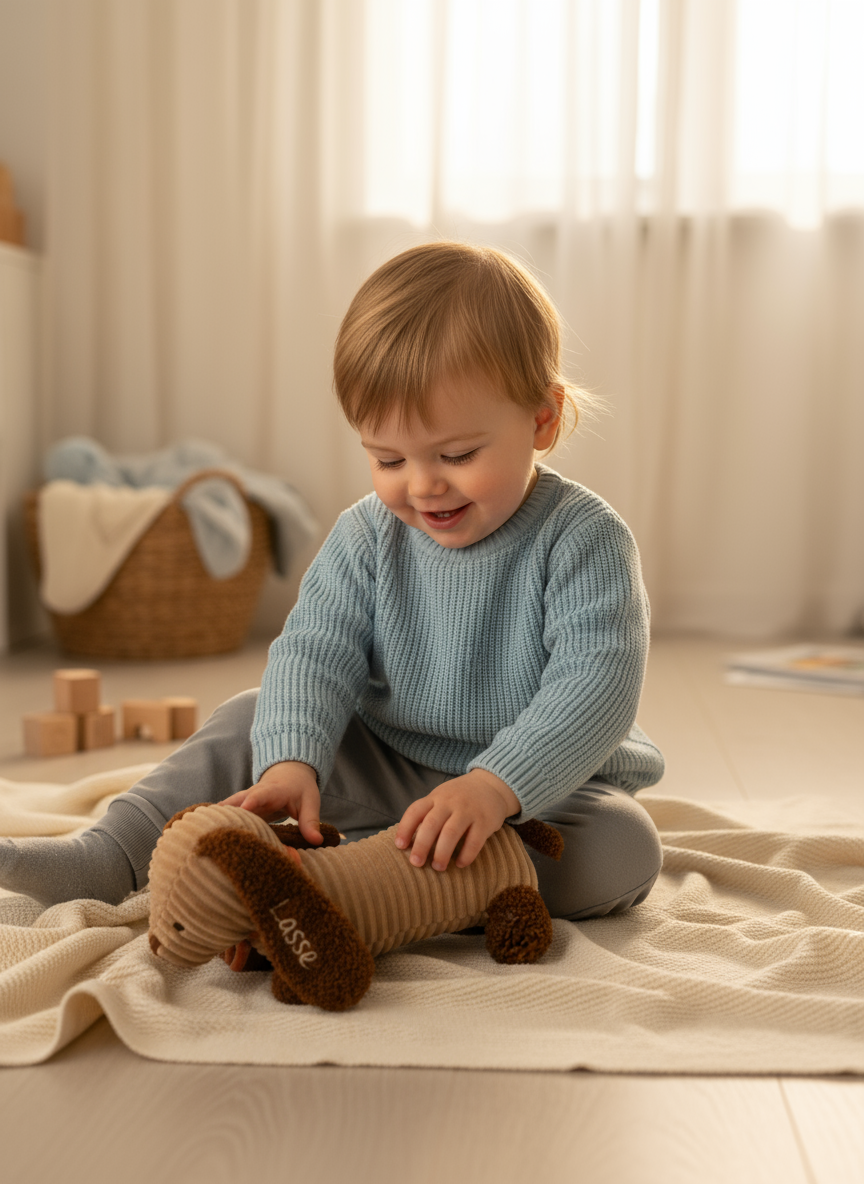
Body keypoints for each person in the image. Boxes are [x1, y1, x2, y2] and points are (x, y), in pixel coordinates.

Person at [1, 242, 664, 923]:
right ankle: (109, 855)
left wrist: (496, 787)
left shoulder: (585, 538)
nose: (423, 484)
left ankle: (353, 887)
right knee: (250, 716)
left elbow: (596, 685)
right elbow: (315, 652)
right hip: (389, 764)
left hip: (538, 793)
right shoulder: (368, 535)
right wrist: (293, 764)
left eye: (458, 455)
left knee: (622, 848)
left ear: (542, 420)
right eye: (388, 457)